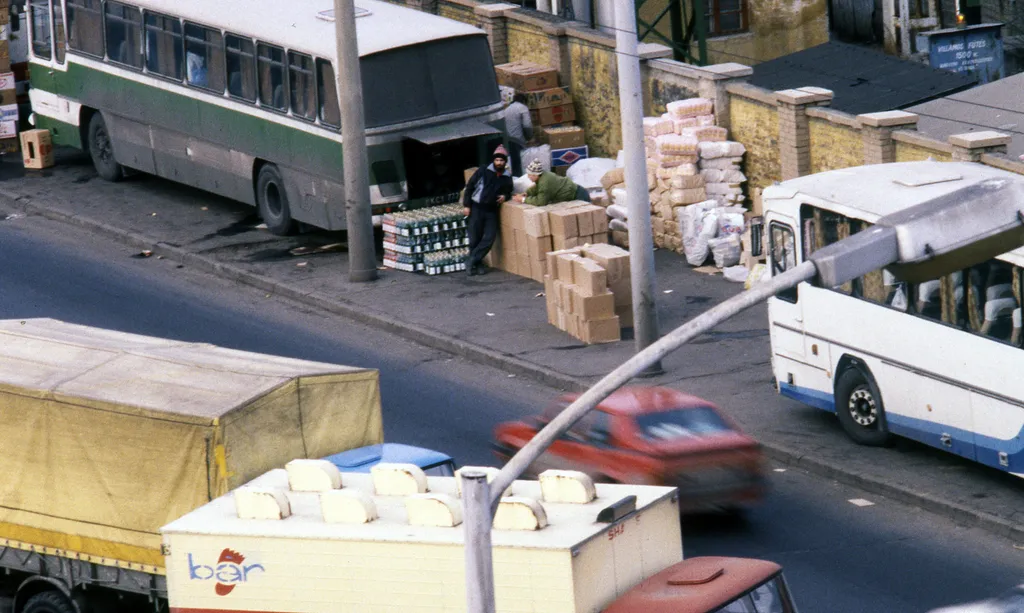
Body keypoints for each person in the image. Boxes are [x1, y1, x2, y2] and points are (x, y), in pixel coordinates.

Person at [463, 145, 514, 276]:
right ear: (493, 161)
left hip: (491, 210)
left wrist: (505, 196)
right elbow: (469, 187)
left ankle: (471, 260)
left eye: (502, 161)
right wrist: (467, 205)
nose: (499, 163)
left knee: (489, 238)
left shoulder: (507, 176)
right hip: (477, 208)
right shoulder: (483, 171)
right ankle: (477, 264)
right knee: (475, 238)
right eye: (497, 160)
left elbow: (509, 191)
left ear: (505, 162)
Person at [514, 159, 591, 206]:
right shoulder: (543, 175)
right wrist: (527, 193)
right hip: (575, 192)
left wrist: (523, 199)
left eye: (530, 175)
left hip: (579, 195)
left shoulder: (545, 182)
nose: (528, 177)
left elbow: (541, 202)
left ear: (536, 175)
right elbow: (536, 187)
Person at [503, 93, 533, 177]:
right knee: (519, 166)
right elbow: (527, 125)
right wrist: (529, 137)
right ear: (524, 101)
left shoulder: (506, 109)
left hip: (507, 140)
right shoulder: (523, 108)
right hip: (518, 140)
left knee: (512, 164)